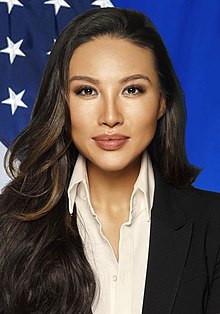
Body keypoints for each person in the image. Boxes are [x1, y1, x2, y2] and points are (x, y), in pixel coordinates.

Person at [0, 7, 219, 314]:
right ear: (63, 102)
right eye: (87, 90)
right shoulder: (7, 223)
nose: (110, 117)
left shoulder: (214, 223)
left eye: (132, 89)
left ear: (161, 103)